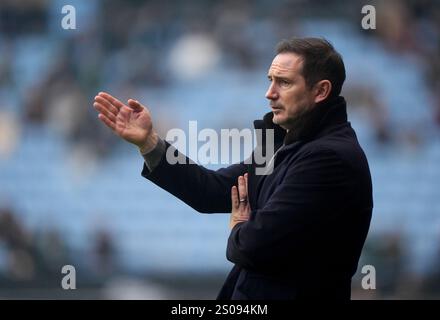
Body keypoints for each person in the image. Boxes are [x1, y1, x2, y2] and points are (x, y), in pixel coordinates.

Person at [93, 37, 373, 300]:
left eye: (284, 83)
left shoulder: (329, 158)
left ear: (321, 90)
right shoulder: (284, 145)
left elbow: (254, 245)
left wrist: (239, 226)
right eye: (270, 81)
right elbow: (210, 190)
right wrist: (149, 143)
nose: (269, 93)